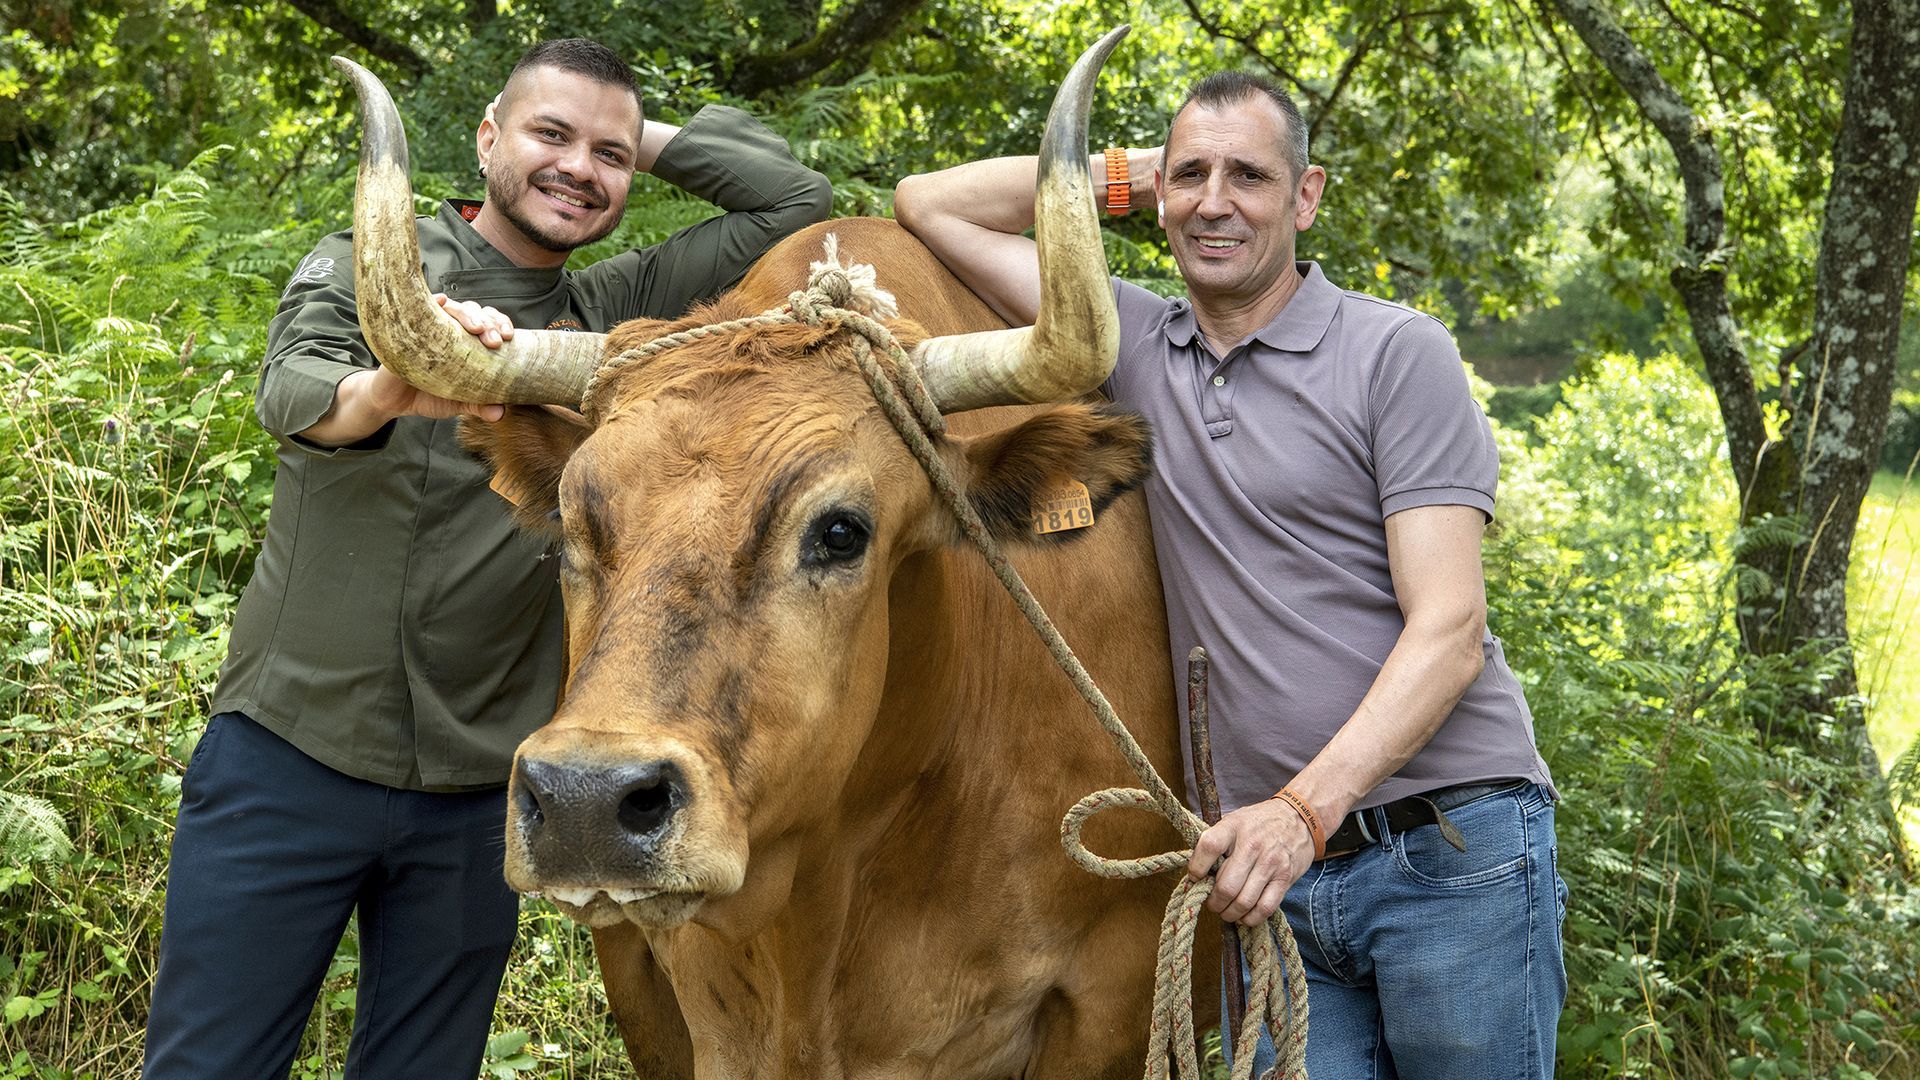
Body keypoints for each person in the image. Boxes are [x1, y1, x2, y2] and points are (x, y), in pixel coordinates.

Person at [142, 38, 830, 1078]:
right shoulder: (377, 262)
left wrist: (633, 136)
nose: (578, 169)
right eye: (550, 134)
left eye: (608, 155)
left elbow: (793, 202)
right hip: (291, 758)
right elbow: (294, 391)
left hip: (477, 793)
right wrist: (391, 385)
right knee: (211, 1066)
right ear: (488, 137)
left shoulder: (613, 315)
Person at [894, 71, 1564, 1077]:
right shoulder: (1132, 343)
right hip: (1269, 884)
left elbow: (1450, 633)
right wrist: (1131, 173)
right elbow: (929, 204)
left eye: (1249, 176)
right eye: (1191, 177)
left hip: (1447, 845)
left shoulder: (1396, 353)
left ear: (1306, 198)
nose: (1215, 202)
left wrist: (1303, 812)